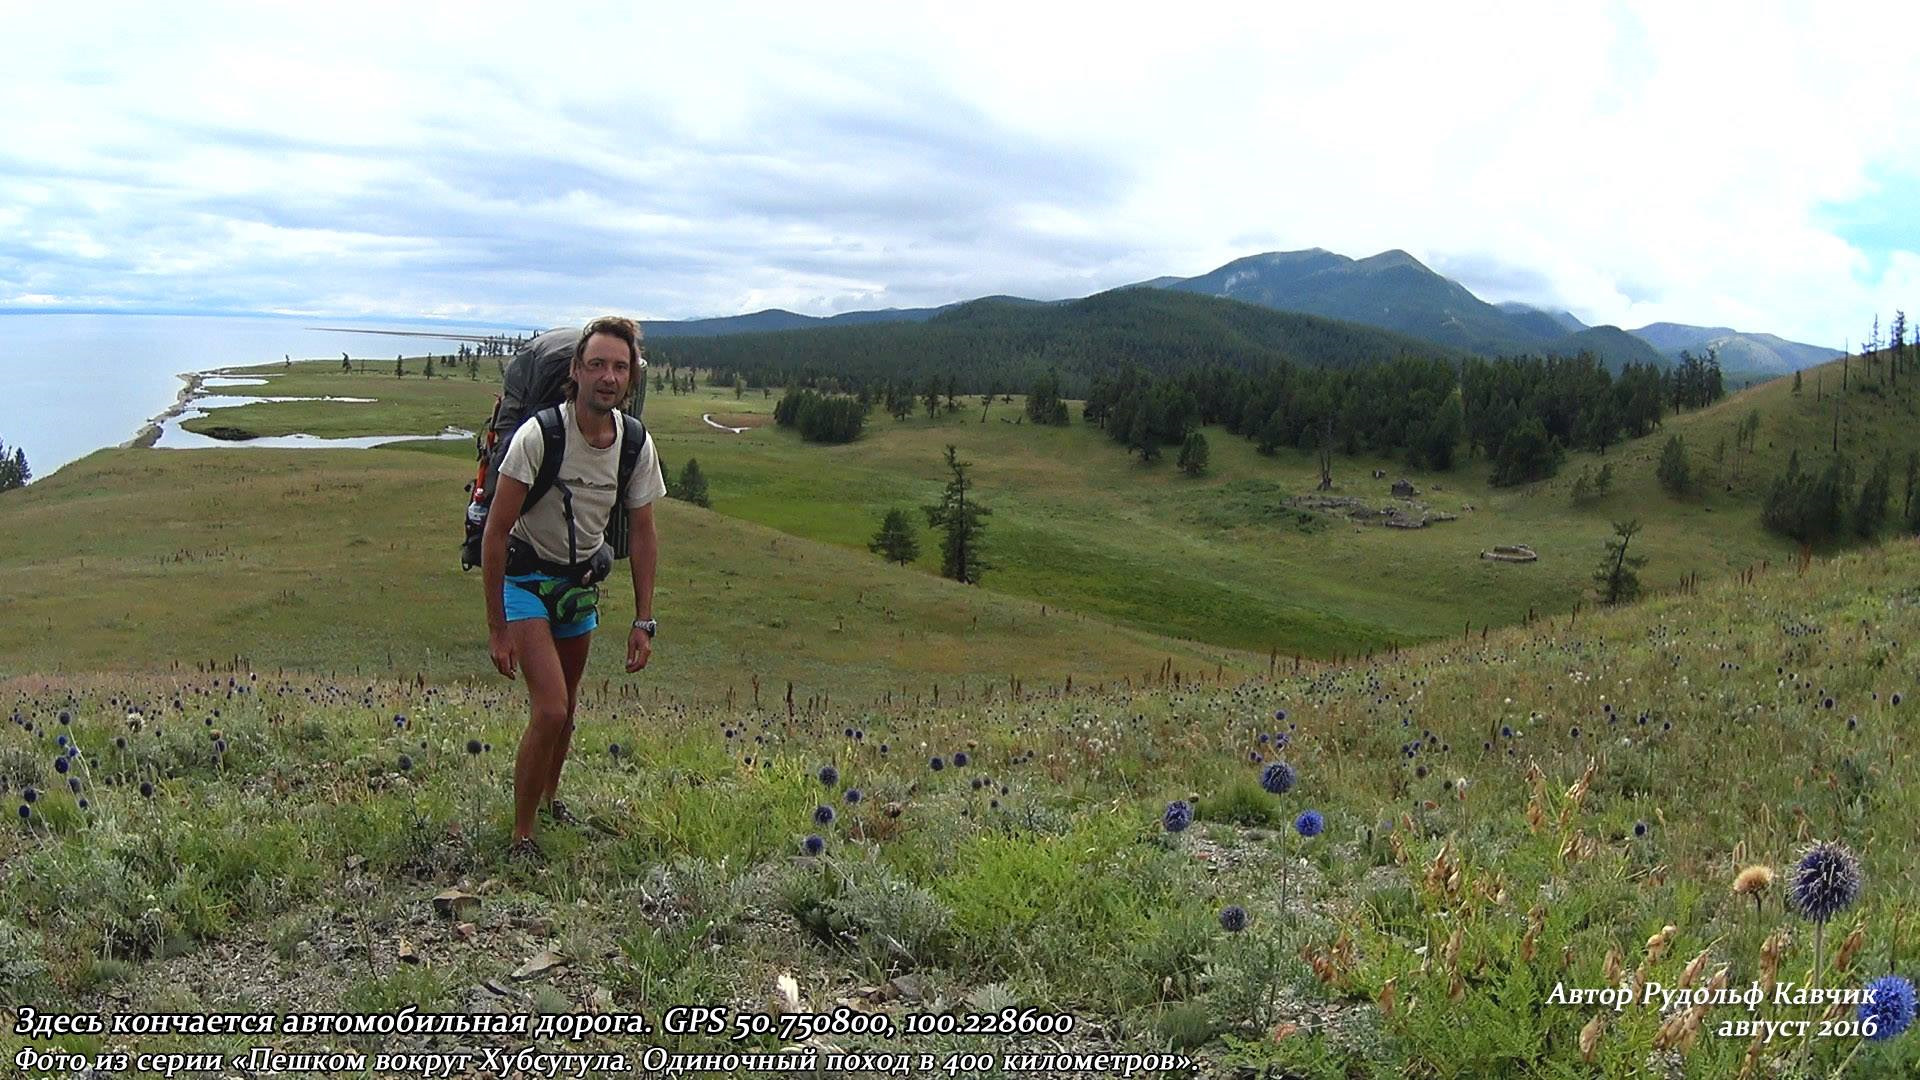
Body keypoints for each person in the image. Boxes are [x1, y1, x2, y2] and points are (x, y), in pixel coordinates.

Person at [481, 315, 665, 858]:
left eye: (620, 367)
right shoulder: (540, 435)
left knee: (569, 704)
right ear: (576, 372)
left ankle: (550, 797)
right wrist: (497, 629)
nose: (608, 376)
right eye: (597, 364)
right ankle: (522, 835)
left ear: (631, 378)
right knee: (552, 709)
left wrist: (643, 620)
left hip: (580, 584)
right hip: (526, 580)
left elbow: (644, 532)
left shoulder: (634, 443)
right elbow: (496, 532)